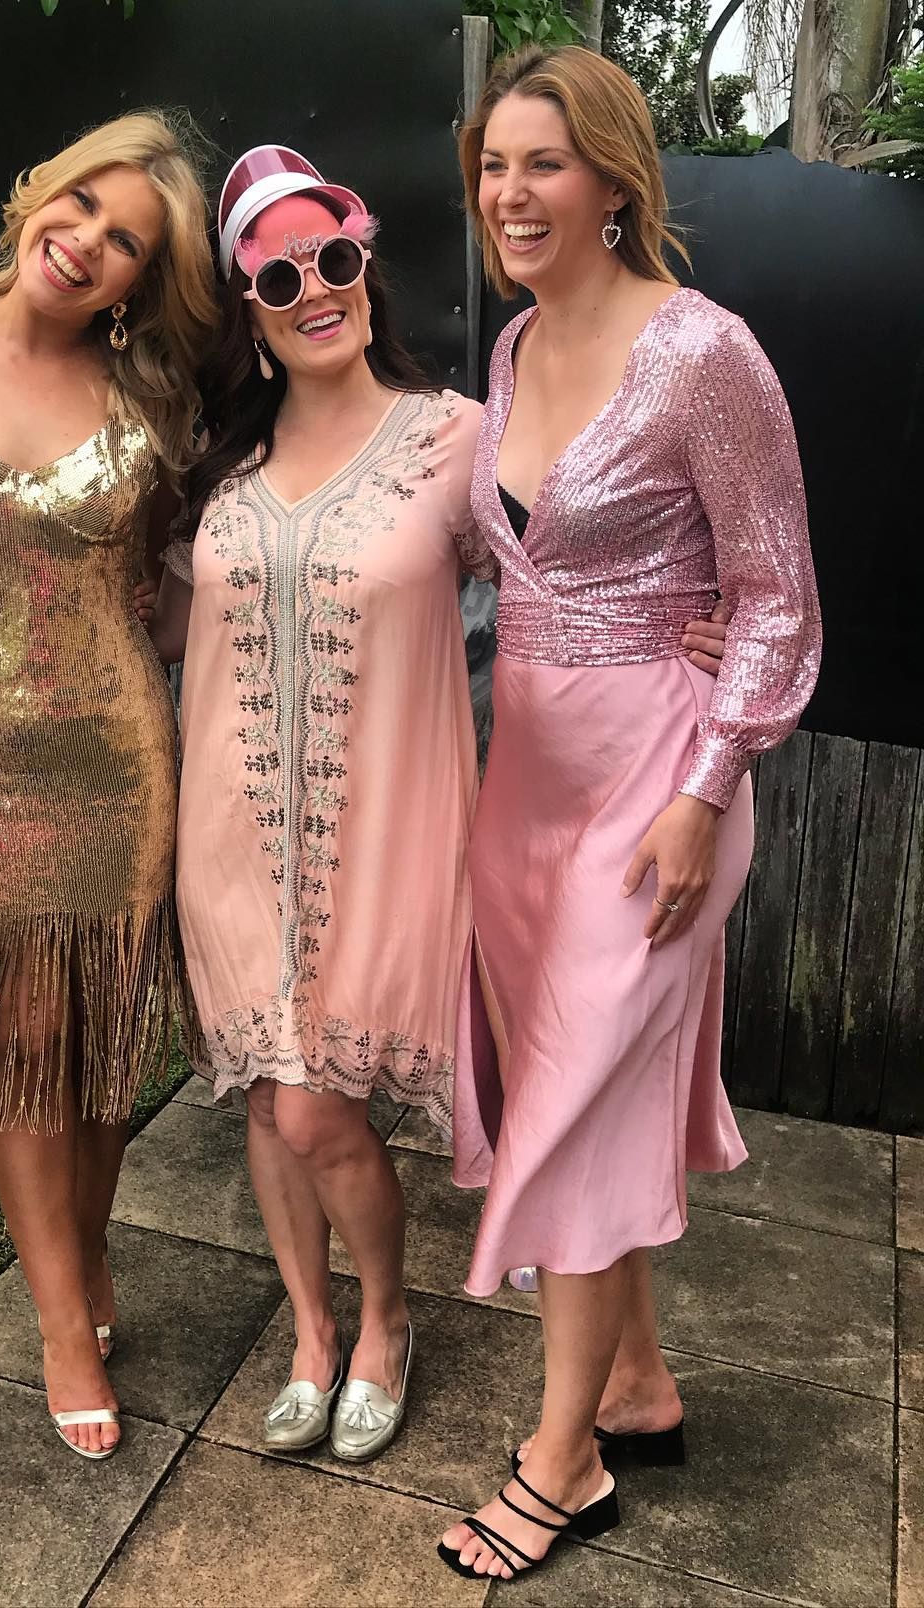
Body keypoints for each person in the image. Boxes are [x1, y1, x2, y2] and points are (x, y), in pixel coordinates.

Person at [149, 146, 729, 1468]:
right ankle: (311, 1336)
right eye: (279, 278)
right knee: (267, 1102)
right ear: (249, 312)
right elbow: (172, 623)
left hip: (387, 836)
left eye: (332, 261)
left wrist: (689, 623)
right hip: (231, 834)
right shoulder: (216, 464)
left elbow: (568, 567)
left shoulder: (457, 437)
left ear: (366, 269)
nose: (314, 291)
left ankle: (387, 1324)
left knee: (320, 1110)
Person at [439, 47, 822, 1583]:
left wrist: (706, 788)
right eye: (493, 165)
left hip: (660, 786)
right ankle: (640, 1384)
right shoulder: (515, 347)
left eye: (543, 162)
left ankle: (565, 1461)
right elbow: (514, 560)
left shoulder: (704, 354)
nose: (510, 192)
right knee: (573, 1095)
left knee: (577, 1108)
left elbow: (778, 596)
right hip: (525, 788)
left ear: (614, 177)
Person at [0, 111, 217, 1460]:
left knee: (102, 1052)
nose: (86, 244)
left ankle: (85, 1254)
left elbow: (173, 583)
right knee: (23, 1041)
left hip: (116, 760)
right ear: (35, 199)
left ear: (139, 281)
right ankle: (64, 1323)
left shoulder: (152, 400)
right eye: (79, 206)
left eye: (124, 241)